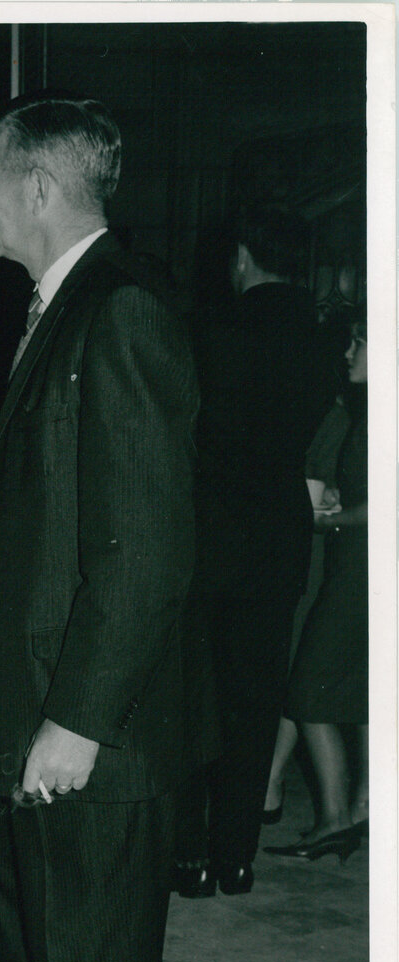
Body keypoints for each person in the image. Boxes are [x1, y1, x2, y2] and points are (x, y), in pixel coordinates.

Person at [0, 96, 197, 962]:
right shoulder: (57, 308)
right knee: (29, 941)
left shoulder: (124, 309)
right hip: (29, 709)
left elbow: (144, 551)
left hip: (90, 722)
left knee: (91, 958)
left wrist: (78, 718)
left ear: (39, 188)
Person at [173, 206, 324, 898]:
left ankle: (189, 857)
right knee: (256, 704)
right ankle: (236, 857)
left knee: (197, 701)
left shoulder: (217, 329)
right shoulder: (324, 335)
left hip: (212, 540)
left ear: (240, 258)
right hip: (279, 541)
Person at [267, 312, 368, 862]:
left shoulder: (371, 415)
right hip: (357, 567)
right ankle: (357, 810)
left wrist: (329, 519)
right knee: (357, 689)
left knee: (307, 690)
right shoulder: (363, 411)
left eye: (360, 342)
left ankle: (333, 819)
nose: (349, 352)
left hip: (359, 573)